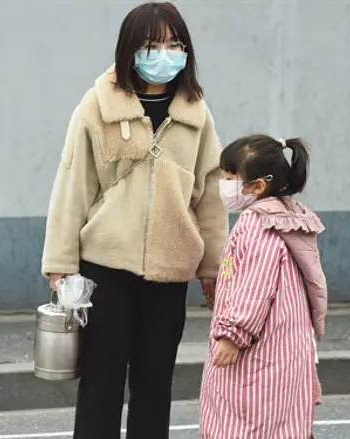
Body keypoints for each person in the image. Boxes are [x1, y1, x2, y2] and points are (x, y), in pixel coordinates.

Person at [41, 3, 229, 438]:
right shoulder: (97, 106)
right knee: (101, 380)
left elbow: (211, 197)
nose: (164, 54)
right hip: (105, 269)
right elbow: (73, 185)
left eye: (174, 44)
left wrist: (214, 270)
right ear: (129, 50)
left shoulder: (196, 113)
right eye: (152, 45)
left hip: (170, 271)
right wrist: (60, 262)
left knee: (154, 382)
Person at [199, 135, 327, 439]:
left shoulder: (256, 224)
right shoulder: (290, 217)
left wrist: (233, 334)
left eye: (230, 178)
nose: (225, 184)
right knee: (282, 421)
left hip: (258, 347)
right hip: (287, 346)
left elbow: (254, 286)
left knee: (245, 420)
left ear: (258, 186)